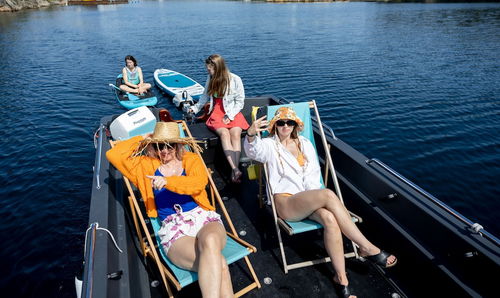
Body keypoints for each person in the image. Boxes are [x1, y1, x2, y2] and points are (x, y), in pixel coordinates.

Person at [244, 107, 397, 298]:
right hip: (285, 202)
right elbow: (253, 152)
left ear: (295, 126)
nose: (285, 126)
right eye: (280, 123)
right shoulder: (269, 145)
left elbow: (314, 175)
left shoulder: (306, 144)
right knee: (327, 194)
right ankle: (366, 247)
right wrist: (250, 134)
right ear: (274, 126)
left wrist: (313, 199)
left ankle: (341, 279)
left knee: (330, 219)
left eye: (289, 122)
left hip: (307, 199)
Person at [107, 122, 233, 298]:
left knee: (211, 240)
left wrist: (168, 182)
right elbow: (113, 154)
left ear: (178, 144)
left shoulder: (191, 159)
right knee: (219, 263)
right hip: (174, 227)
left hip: (202, 217)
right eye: (159, 146)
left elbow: (198, 184)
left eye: (170, 145)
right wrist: (144, 138)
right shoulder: (144, 166)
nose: (164, 151)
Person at [190, 54, 249, 183]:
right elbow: (204, 97)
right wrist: (194, 109)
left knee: (236, 133)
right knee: (224, 134)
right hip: (217, 111)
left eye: (210, 69)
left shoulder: (235, 79)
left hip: (232, 111)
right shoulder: (210, 78)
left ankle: (235, 169)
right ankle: (235, 169)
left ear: (218, 68)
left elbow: (240, 102)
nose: (208, 71)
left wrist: (230, 115)